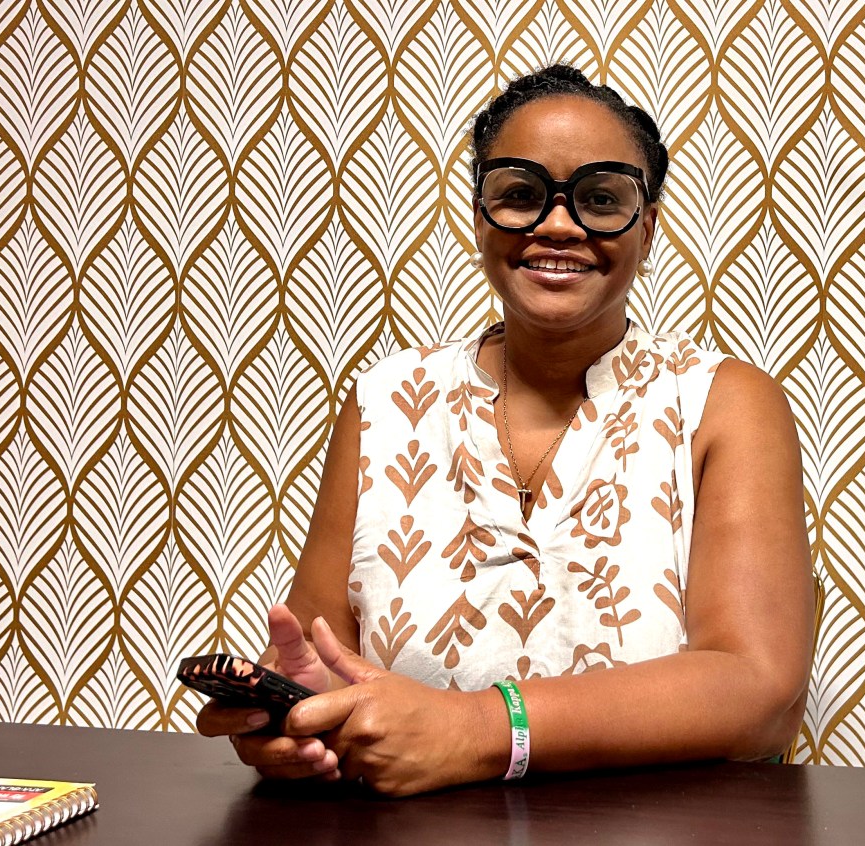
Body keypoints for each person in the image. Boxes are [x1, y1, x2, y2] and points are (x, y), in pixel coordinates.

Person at [197, 63, 814, 797]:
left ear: (647, 227)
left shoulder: (724, 403)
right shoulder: (386, 402)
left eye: (601, 198)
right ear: (480, 214)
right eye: (521, 194)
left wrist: (480, 730)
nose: (558, 224)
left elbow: (758, 691)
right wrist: (299, 715)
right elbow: (327, 653)